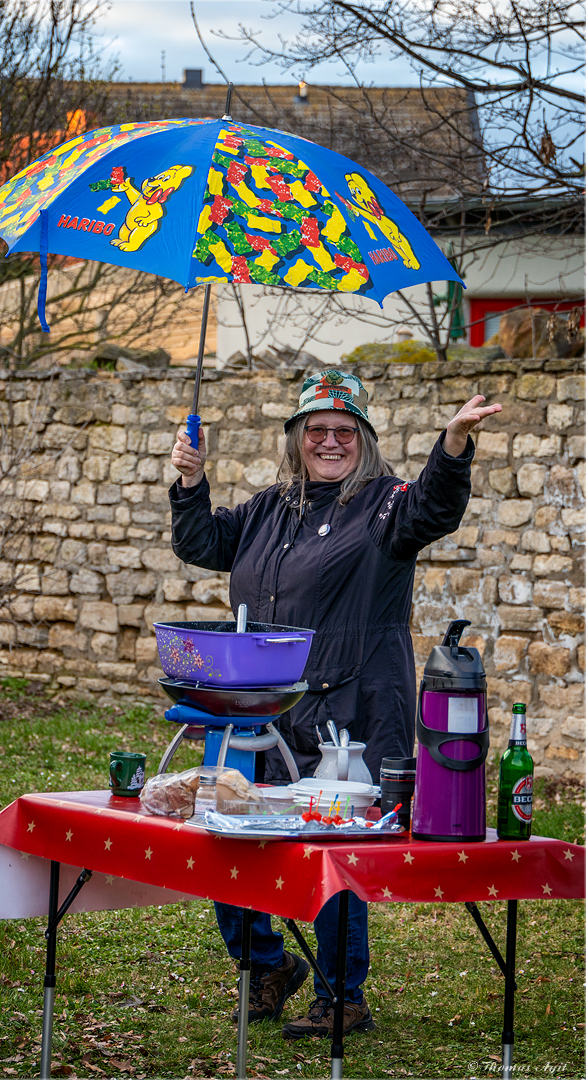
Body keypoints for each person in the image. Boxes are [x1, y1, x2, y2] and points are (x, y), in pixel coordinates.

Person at [169, 369, 501, 1040]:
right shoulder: (269, 507)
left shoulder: (386, 506)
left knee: (332, 854)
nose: (329, 441)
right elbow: (201, 544)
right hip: (265, 710)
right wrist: (189, 483)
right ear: (297, 439)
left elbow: (434, 506)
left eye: (343, 432)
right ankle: (266, 964)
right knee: (230, 834)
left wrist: (454, 445)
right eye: (315, 430)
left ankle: (342, 994)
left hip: (350, 709)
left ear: (364, 439)